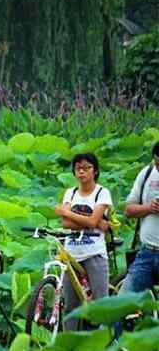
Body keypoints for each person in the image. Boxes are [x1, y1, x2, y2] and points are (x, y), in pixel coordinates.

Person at [54, 152, 113, 331]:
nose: (82, 172)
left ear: (95, 171)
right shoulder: (70, 193)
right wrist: (90, 220)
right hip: (71, 255)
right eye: (78, 168)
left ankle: (104, 343)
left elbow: (91, 222)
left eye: (87, 167)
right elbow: (66, 224)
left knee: (100, 305)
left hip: (94, 253)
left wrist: (67, 212)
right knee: (71, 306)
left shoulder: (102, 193)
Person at [120, 141, 159, 294]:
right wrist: (149, 207)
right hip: (146, 253)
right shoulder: (147, 173)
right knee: (121, 305)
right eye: (157, 163)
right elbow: (128, 210)